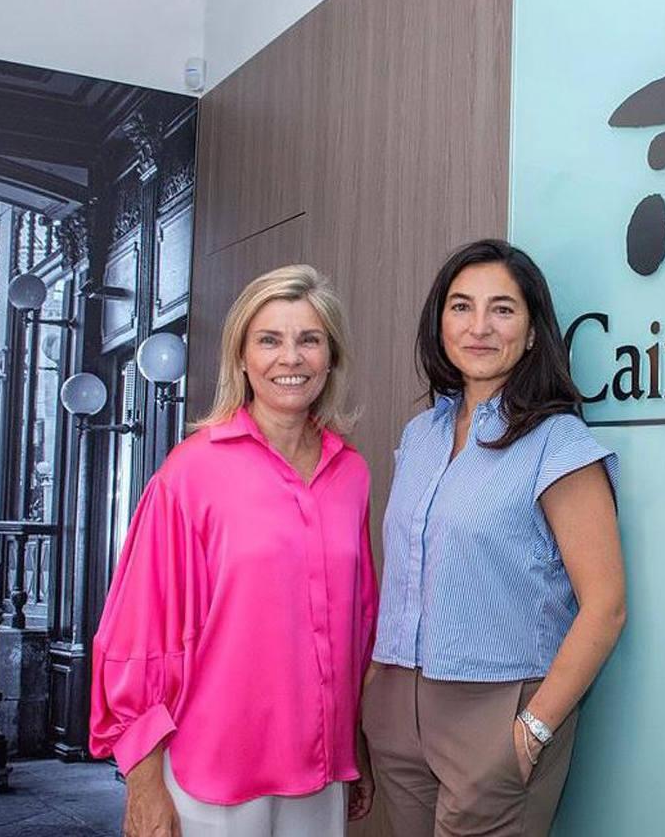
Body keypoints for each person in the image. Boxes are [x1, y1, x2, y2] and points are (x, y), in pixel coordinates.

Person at [90, 265, 378, 837]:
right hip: (211, 772)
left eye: (309, 340)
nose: (290, 358)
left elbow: (358, 626)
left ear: (331, 357)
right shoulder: (192, 472)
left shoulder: (353, 474)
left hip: (319, 773)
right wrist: (144, 783)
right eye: (269, 340)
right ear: (241, 357)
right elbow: (136, 636)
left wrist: (355, 745)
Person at [363, 239, 627, 836]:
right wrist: (373, 696)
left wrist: (531, 730)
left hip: (498, 712)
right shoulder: (421, 434)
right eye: (461, 307)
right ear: (440, 323)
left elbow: (605, 607)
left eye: (503, 309)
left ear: (533, 332)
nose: (479, 326)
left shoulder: (557, 443)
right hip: (396, 708)